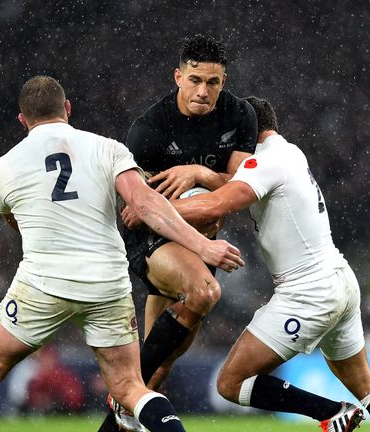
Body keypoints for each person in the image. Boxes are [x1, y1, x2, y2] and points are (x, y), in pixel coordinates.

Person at [0, 75, 245, 432]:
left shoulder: (4, 166)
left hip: (43, 283)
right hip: (106, 283)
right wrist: (204, 246)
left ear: (22, 120)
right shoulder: (107, 148)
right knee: (130, 388)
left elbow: (14, 220)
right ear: (67, 109)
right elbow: (144, 203)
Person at [168, 96, 370, 432]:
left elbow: (217, 205)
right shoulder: (289, 152)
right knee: (365, 383)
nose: (225, 147)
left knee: (231, 382)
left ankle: (329, 411)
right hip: (339, 279)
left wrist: (151, 208)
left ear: (247, 132)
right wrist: (200, 172)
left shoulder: (265, 162)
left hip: (307, 291)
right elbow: (233, 180)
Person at [98, 33, 258, 432]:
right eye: (194, 80)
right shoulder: (150, 129)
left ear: (224, 81)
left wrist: (200, 174)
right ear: (177, 77)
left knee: (155, 376)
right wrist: (202, 203)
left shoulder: (239, 116)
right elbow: (138, 212)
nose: (203, 92)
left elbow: (243, 190)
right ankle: (125, 389)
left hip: (199, 239)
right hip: (155, 239)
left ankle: (120, 407)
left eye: (213, 83)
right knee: (203, 292)